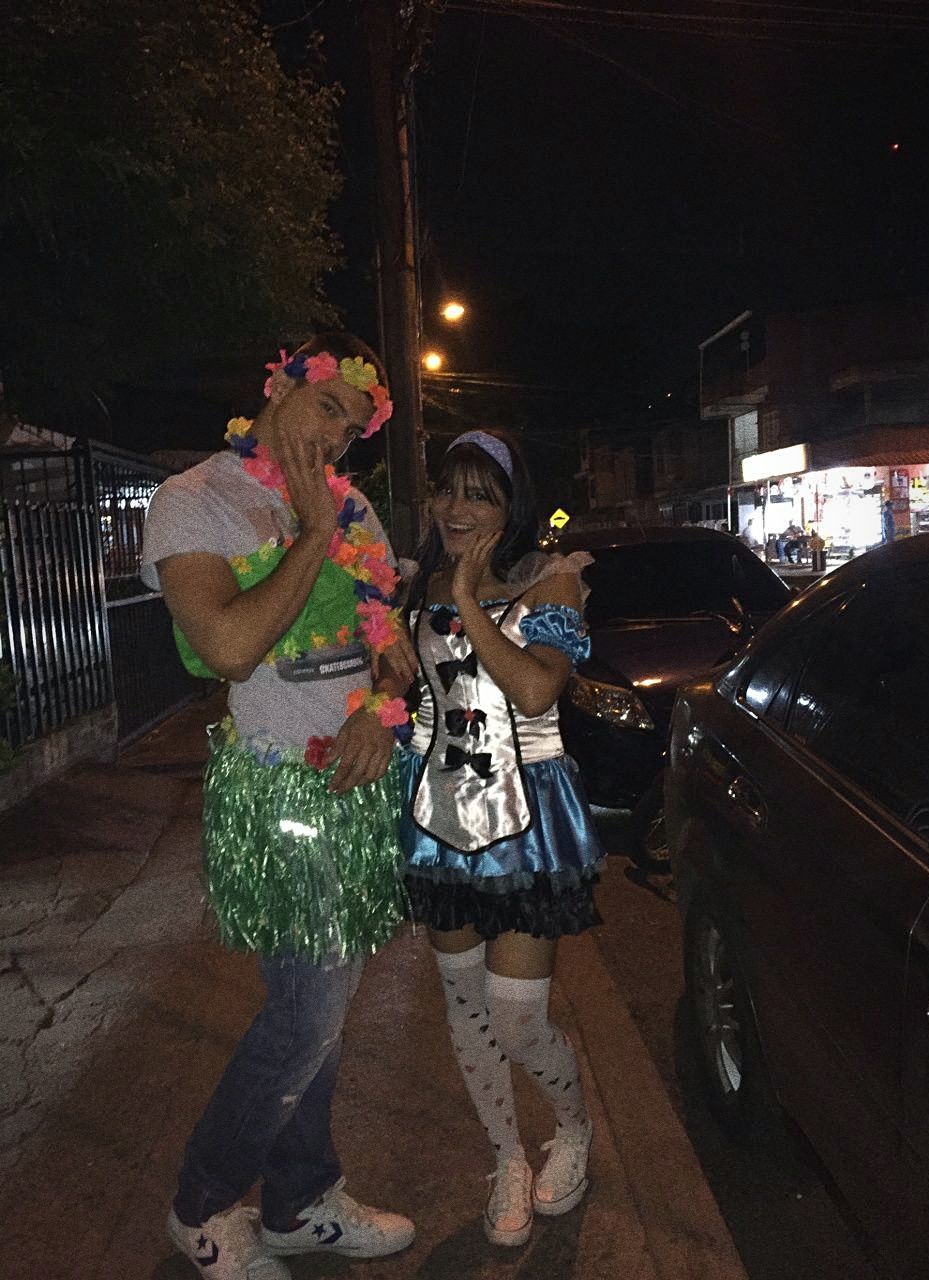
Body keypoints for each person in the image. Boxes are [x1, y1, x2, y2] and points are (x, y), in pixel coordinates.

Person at [141, 332, 417, 1280]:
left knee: (324, 1011)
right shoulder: (192, 502)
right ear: (282, 385)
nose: (339, 437)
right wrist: (308, 531)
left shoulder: (356, 505)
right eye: (329, 406)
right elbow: (225, 644)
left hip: (357, 783)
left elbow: (393, 633)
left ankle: (301, 1200)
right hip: (278, 788)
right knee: (304, 1017)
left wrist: (385, 709)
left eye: (355, 423)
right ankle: (203, 1202)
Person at [398, 429, 604, 1247]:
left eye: (479, 494)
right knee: (464, 1007)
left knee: (519, 1020)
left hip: (526, 823)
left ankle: (575, 1130)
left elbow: (534, 687)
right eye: (450, 489)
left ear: (511, 507)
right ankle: (507, 1159)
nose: (457, 507)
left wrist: (471, 596)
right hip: (438, 819)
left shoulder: (554, 581)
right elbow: (415, 697)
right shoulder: (417, 585)